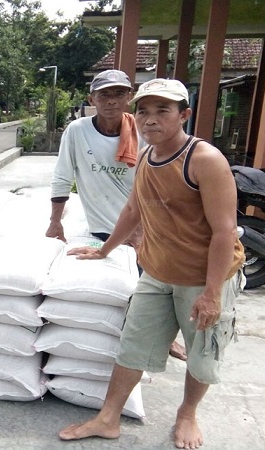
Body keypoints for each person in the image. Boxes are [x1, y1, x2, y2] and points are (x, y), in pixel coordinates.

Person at [58, 78, 245, 449]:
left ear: (184, 115)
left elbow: (225, 233)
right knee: (132, 344)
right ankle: (108, 418)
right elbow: (133, 209)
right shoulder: (146, 155)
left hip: (202, 277)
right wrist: (105, 249)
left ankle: (187, 414)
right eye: (143, 111)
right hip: (157, 272)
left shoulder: (204, 160)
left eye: (163, 110)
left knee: (201, 352)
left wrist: (211, 294)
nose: (150, 119)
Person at [46, 69, 187, 361]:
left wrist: (147, 226)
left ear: (128, 97)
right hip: (103, 228)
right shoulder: (77, 131)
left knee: (160, 284)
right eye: (104, 94)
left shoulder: (144, 131)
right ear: (92, 99)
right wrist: (55, 220)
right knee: (120, 291)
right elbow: (62, 177)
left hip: (148, 222)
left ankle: (166, 339)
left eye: (119, 94)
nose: (111, 101)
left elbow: (159, 179)